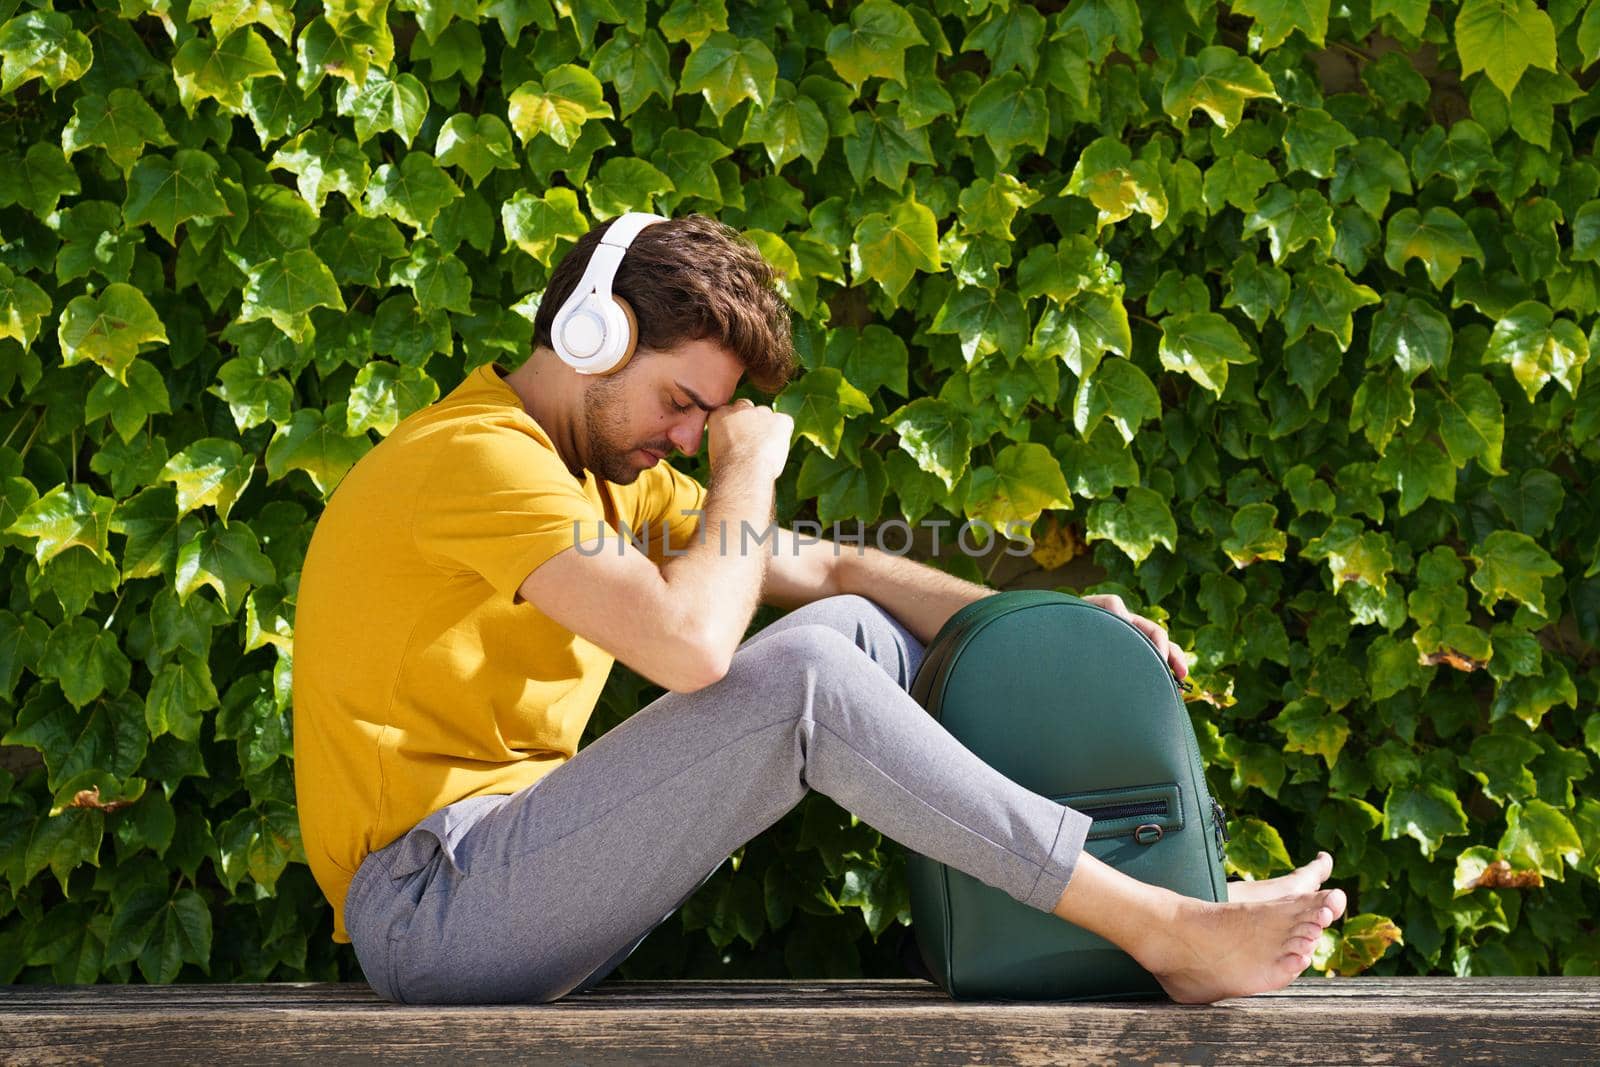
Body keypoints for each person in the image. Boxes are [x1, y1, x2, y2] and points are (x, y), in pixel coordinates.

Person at [291, 212, 1346, 1007]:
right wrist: (750, 463)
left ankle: (1169, 886)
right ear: (590, 332)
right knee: (803, 682)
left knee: (856, 635)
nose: (693, 438)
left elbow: (837, 568)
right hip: (432, 906)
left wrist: (1043, 629)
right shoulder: (476, 460)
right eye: (681, 402)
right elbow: (694, 646)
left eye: (710, 420)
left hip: (519, 868)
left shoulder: (608, 483)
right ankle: (1160, 927)